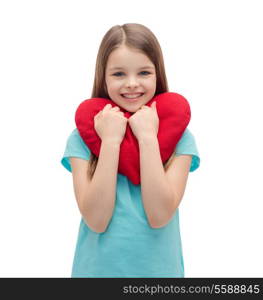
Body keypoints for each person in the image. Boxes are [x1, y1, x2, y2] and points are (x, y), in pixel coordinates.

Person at [61, 23, 200, 278]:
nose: (132, 84)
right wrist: (111, 142)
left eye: (144, 72)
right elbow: (96, 220)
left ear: (158, 74)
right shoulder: (82, 137)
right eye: (119, 74)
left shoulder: (180, 137)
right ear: (103, 76)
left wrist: (147, 137)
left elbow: (159, 215)